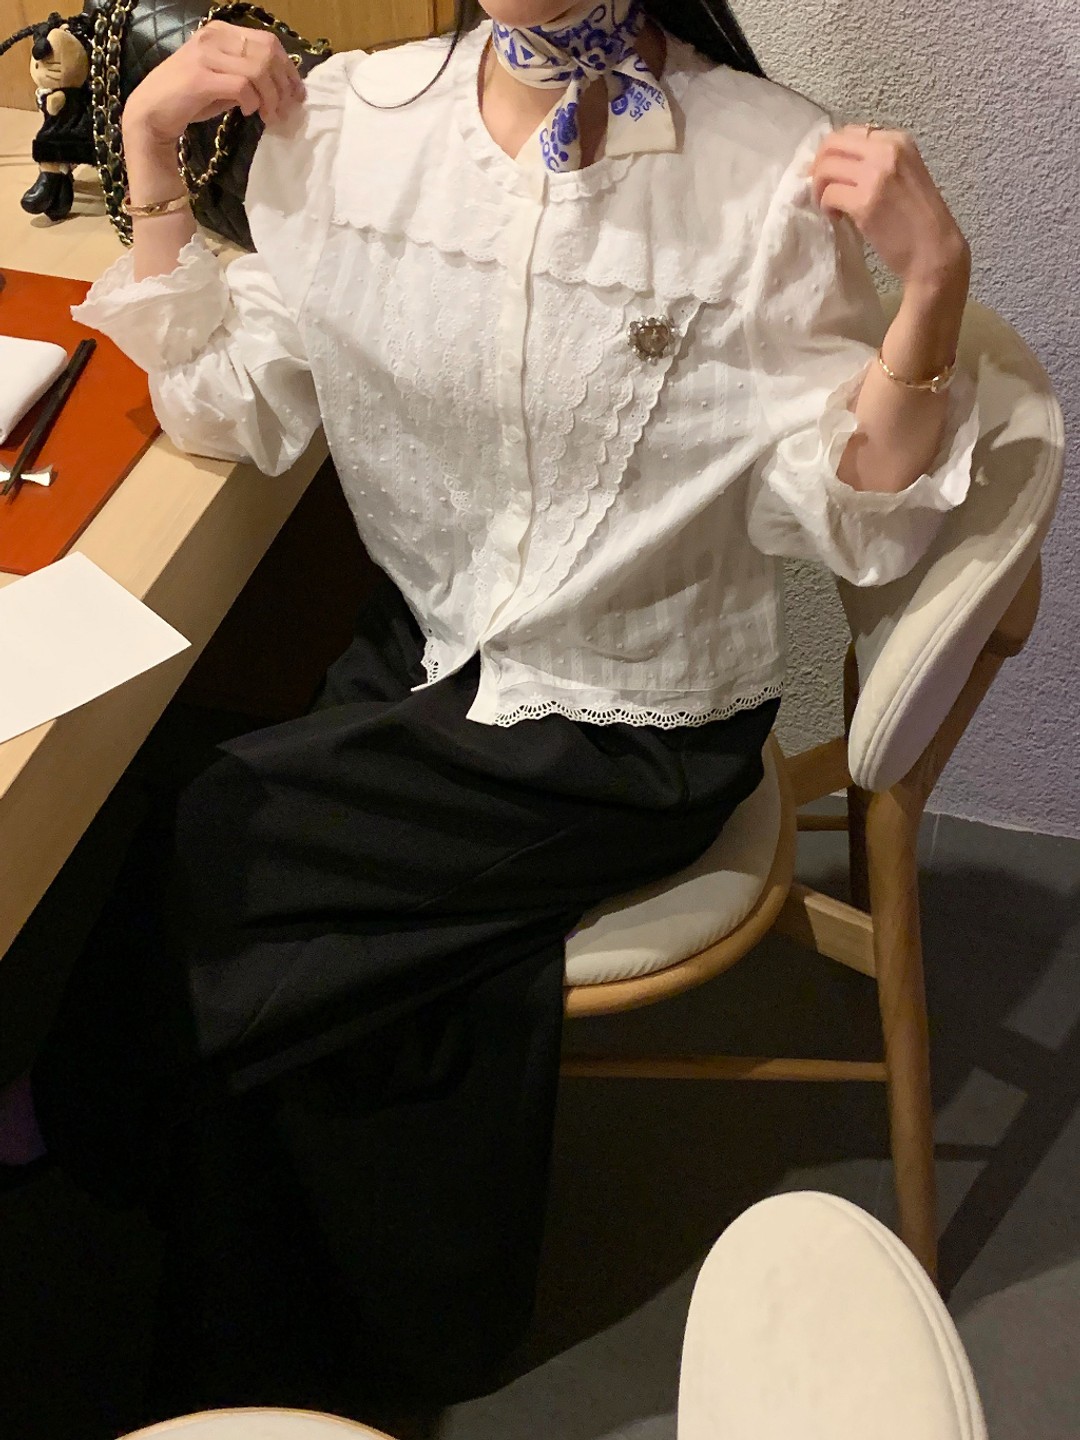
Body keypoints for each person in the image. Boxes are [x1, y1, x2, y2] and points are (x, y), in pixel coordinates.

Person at [0, 0, 979, 1419]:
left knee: (219, 830)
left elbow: (858, 525)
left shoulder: (766, 167)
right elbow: (228, 408)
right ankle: (314, 1308)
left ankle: (102, 1130)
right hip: (428, 655)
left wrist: (933, 285)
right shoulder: (356, 125)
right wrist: (149, 145)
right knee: (308, 934)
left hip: (634, 722)